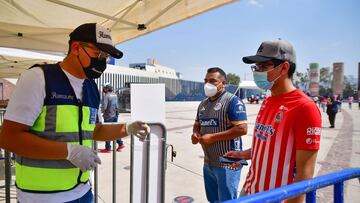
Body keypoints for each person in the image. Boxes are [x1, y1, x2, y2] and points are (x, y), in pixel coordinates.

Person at [0, 23, 150, 203]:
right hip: (41, 197)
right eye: (98, 53)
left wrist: (127, 128)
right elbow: (9, 138)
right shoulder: (39, 78)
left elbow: (95, 130)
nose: (103, 60)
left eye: (106, 56)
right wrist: (68, 151)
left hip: (82, 192)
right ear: (76, 48)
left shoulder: (91, 88)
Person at [224, 39, 322, 203]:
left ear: (284, 67)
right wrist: (242, 155)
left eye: (263, 66)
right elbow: (265, 145)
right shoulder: (268, 101)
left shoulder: (305, 108)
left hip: (276, 198)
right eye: (256, 67)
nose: (258, 71)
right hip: (250, 190)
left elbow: (304, 177)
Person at [191, 67, 248, 203]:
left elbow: (242, 129)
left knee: (227, 200)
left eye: (212, 81)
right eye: (205, 81)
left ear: (223, 83)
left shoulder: (232, 101)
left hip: (228, 163)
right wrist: (195, 134)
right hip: (209, 163)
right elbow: (197, 124)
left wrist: (212, 137)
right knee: (213, 200)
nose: (207, 84)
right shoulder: (203, 104)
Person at [99, 83, 125, 153]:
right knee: (114, 131)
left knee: (108, 132)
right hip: (115, 115)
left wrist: (100, 111)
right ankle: (120, 144)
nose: (103, 89)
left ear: (107, 88)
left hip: (108, 116)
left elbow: (104, 107)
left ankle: (107, 148)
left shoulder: (106, 96)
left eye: (104, 88)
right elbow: (117, 105)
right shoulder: (115, 95)